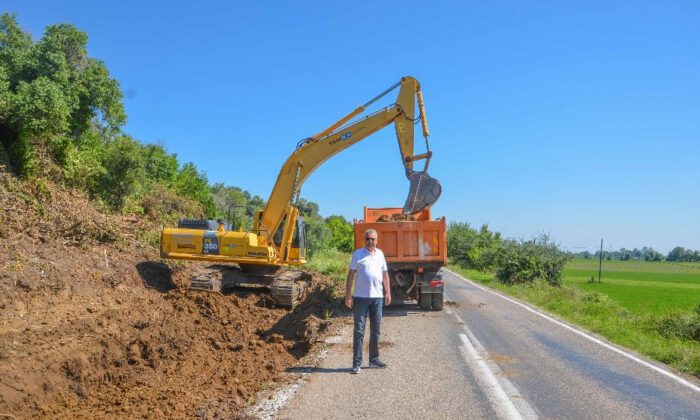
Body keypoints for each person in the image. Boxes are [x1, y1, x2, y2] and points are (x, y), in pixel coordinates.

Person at [345, 228, 391, 374]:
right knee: (359, 331)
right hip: (360, 298)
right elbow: (351, 275)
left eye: (373, 239)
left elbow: (385, 275)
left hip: (377, 298)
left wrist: (388, 292)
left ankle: (374, 360)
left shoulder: (381, 254)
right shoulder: (357, 254)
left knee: (375, 331)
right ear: (364, 240)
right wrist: (348, 295)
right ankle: (357, 363)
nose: (370, 241)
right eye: (368, 239)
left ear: (376, 240)